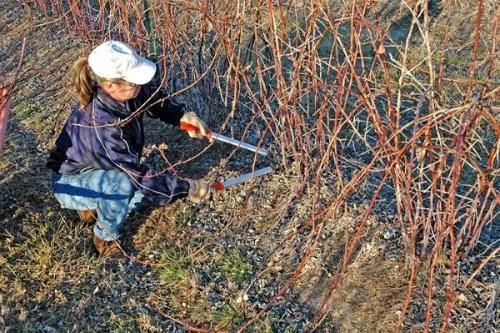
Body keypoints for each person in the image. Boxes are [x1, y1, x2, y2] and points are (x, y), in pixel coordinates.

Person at [47, 41, 210, 257]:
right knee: (125, 187)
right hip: (70, 181)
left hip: (97, 168)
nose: (140, 86)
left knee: (139, 196)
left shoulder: (128, 92)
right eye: (134, 82)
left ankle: (95, 205)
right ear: (110, 86)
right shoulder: (103, 124)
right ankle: (104, 238)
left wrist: (181, 116)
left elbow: (154, 100)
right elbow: (137, 175)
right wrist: (184, 187)